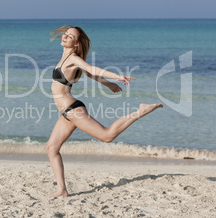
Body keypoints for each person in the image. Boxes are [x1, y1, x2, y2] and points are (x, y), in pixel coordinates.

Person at [46, 24, 163, 197]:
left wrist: (116, 76)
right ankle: (62, 189)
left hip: (72, 109)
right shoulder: (64, 59)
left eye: (70, 36)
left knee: (107, 136)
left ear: (76, 44)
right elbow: (90, 74)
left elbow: (92, 69)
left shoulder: (73, 58)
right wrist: (108, 84)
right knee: (51, 148)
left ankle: (141, 111)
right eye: (65, 34)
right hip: (66, 113)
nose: (65, 37)